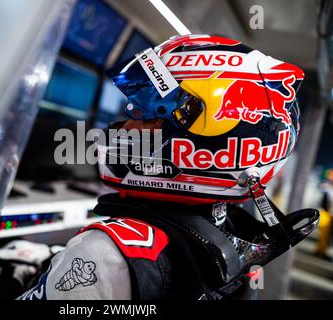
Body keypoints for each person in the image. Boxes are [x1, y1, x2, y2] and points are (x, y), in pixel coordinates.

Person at [19, 34, 319, 300]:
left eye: (148, 116)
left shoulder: (104, 252)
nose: (127, 126)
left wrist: (13, 277)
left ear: (201, 142)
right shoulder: (232, 231)